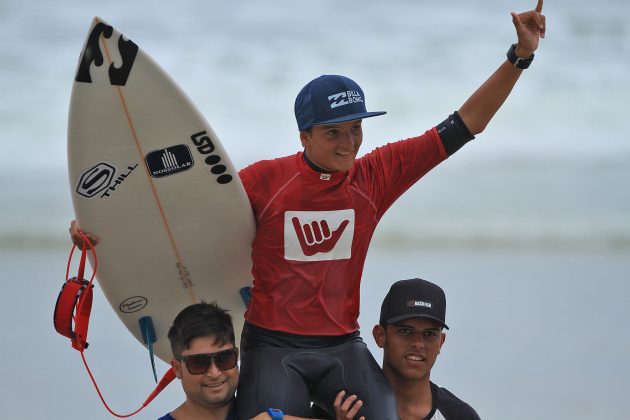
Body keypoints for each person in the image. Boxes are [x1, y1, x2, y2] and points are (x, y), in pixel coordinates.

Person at [71, 2, 546, 418]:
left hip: (343, 344)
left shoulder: (375, 175)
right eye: (334, 132)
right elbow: (184, 222)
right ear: (304, 136)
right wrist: (103, 228)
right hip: (272, 344)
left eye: (355, 129)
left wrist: (519, 57)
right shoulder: (265, 181)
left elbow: (463, 126)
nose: (349, 143)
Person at [314, 278, 481, 420]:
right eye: (405, 331)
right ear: (380, 336)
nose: (418, 343)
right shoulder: (344, 407)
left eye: (429, 334)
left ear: (441, 342)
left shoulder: (459, 415)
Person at [160, 301, 356, 420]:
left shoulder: (275, 405)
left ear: (237, 356)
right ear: (177, 368)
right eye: (199, 363)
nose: (214, 372)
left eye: (224, 358)